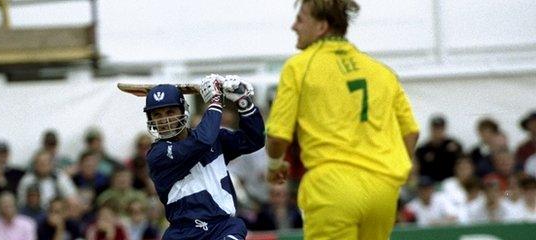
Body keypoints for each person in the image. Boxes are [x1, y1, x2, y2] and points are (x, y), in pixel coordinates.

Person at [264, 1, 420, 239]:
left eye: (301, 19)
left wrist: (275, 166)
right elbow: (411, 133)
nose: (293, 26)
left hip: (332, 186)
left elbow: (277, 136)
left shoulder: (299, 66)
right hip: (383, 190)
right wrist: (389, 173)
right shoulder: (381, 71)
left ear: (321, 27)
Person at [142, 74, 264, 240]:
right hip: (183, 233)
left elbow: (254, 139)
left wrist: (243, 102)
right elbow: (202, 141)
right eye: (157, 115)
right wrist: (215, 100)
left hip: (223, 227)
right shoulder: (157, 154)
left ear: (183, 111)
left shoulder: (215, 139)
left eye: (170, 111)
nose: (164, 119)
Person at [415, 115, 463, 182]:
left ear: (444, 129)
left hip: (451, 183)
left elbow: (461, 165)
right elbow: (418, 169)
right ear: (431, 129)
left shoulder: (454, 145)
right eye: (435, 128)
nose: (438, 131)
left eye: (440, 128)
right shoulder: (423, 149)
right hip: (429, 185)